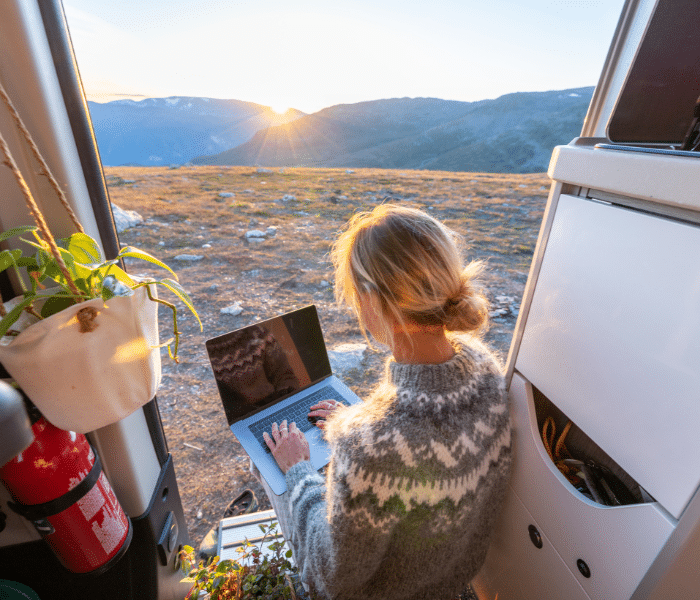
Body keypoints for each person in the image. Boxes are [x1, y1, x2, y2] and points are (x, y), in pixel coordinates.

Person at [256, 204, 512, 600]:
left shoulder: (367, 445)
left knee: (271, 473)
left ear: (373, 301)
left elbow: (332, 575)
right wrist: (359, 420)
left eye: (356, 295)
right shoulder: (486, 368)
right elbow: (425, 433)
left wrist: (298, 472)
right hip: (452, 583)